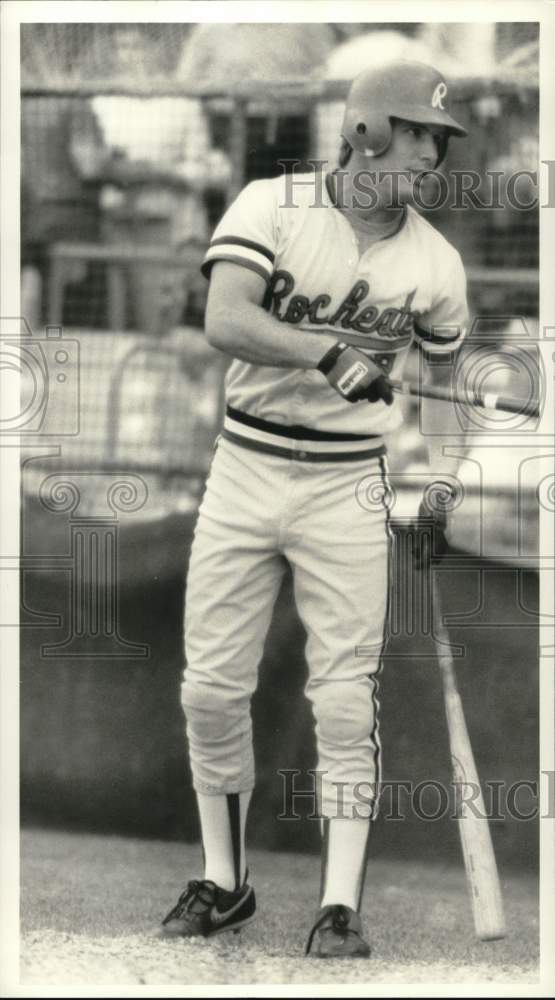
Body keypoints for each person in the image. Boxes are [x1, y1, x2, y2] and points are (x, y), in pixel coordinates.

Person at [161, 60, 468, 958]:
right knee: (210, 688)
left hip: (348, 482)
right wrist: (328, 353)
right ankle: (224, 882)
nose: (429, 155)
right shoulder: (272, 205)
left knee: (342, 701)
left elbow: (445, 387)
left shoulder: (435, 263)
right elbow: (225, 317)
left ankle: (338, 905)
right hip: (246, 466)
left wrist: (443, 478)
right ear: (364, 131)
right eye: (414, 134)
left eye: (438, 141)